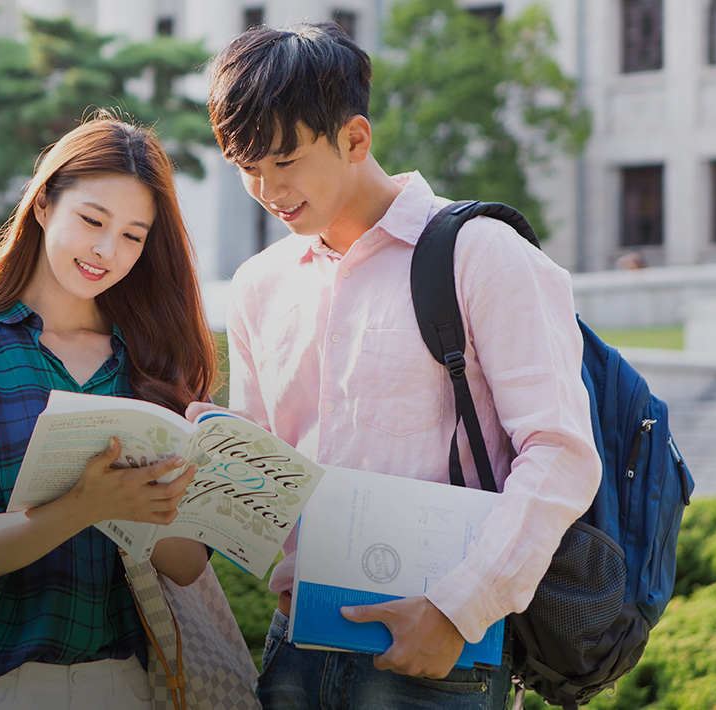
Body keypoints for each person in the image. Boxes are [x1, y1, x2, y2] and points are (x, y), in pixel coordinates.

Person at [196, 21, 602, 709]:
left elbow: (560, 452)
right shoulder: (261, 285)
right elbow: (272, 476)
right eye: (247, 168)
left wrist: (457, 609)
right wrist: (207, 459)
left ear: (355, 139)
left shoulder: (481, 253)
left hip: (440, 653)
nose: (266, 189)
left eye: (284, 161)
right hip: (297, 645)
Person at [0, 114, 223, 708]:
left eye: (133, 235)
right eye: (92, 220)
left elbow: (185, 566)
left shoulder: (154, 364)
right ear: (45, 205)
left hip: (128, 680)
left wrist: (203, 477)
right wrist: (88, 505)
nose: (108, 250)